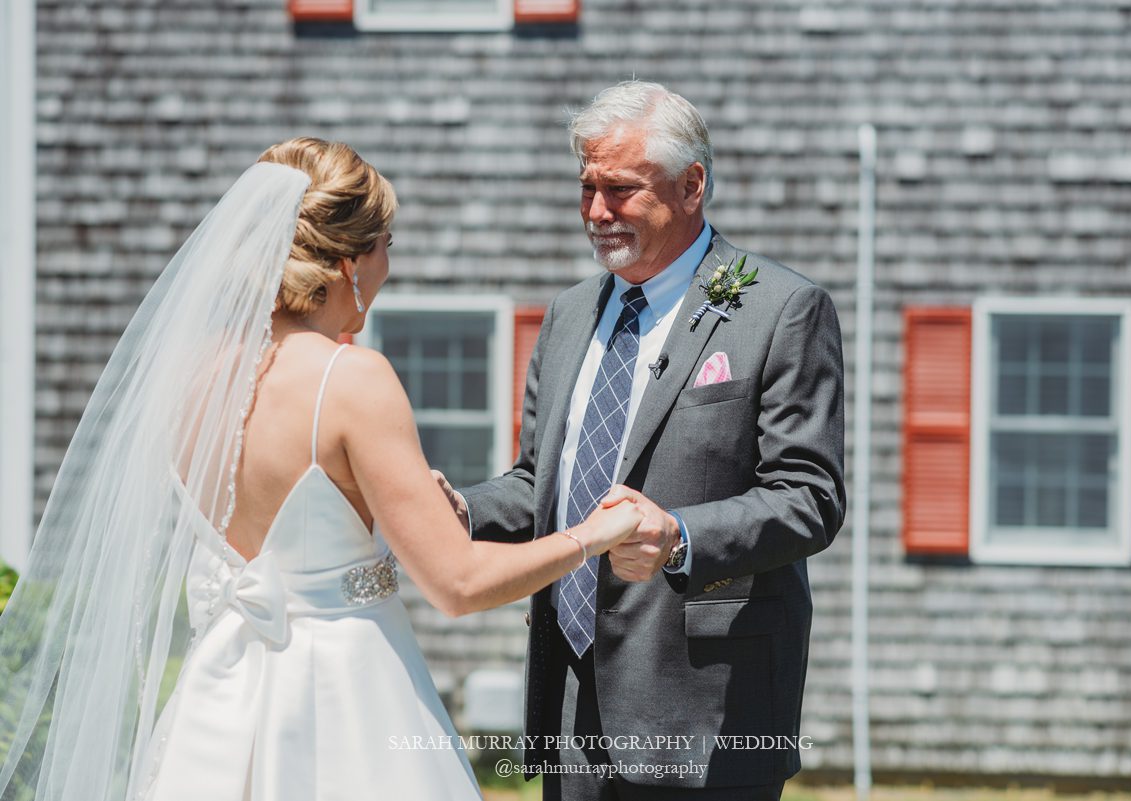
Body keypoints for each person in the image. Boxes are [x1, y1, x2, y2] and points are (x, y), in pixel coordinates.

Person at [0, 137, 644, 801]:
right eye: (385, 243)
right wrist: (593, 533)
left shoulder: (189, 383)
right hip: (345, 703)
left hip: (217, 703)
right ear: (348, 263)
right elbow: (458, 582)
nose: (391, 262)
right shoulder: (352, 380)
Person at [437, 81, 846, 800]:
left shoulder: (781, 309)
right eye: (587, 186)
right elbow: (543, 485)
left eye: (621, 189)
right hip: (570, 703)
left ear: (692, 186)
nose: (597, 212)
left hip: (707, 709)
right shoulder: (567, 315)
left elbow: (809, 498)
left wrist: (679, 535)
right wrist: (459, 511)